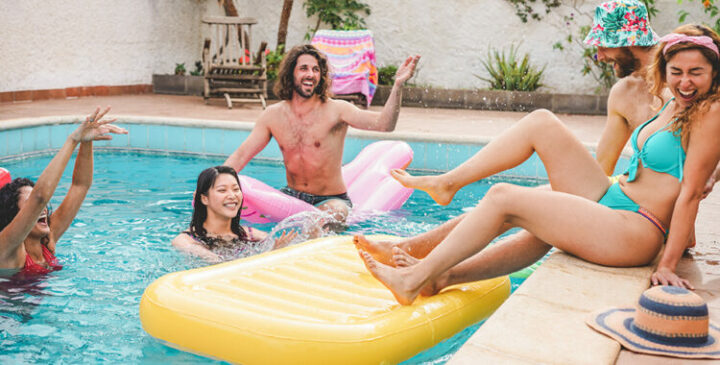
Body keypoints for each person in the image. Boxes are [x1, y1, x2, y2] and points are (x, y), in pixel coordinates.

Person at [357, 24, 720, 305]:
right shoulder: (675, 102)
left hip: (636, 228)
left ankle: (414, 279)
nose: (685, 82)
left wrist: (669, 263)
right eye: (677, 71)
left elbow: (689, 193)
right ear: (665, 67)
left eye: (696, 72)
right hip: (614, 197)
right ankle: (437, 241)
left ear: (714, 73)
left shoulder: (710, 112)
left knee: (504, 197)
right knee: (542, 124)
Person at [224, 44, 420, 224]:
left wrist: (398, 86)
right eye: (304, 68)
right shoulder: (273, 115)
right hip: (290, 196)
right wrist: (211, 185)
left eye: (315, 69)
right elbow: (241, 155)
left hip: (331, 200)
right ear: (290, 73)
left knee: (325, 221)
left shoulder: (337, 110)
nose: (310, 74)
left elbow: (384, 124)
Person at [0, 107, 127, 278]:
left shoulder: (47, 241)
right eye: (29, 203)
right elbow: (39, 197)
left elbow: (80, 186)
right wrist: (72, 140)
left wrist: (86, 141)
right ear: (15, 216)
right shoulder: (7, 248)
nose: (43, 208)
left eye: (41, 206)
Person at [172, 166, 297, 263]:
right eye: (222, 190)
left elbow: (289, 246)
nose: (232, 196)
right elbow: (218, 263)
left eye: (236, 189)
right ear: (204, 199)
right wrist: (269, 255)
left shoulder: (250, 234)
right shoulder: (186, 240)